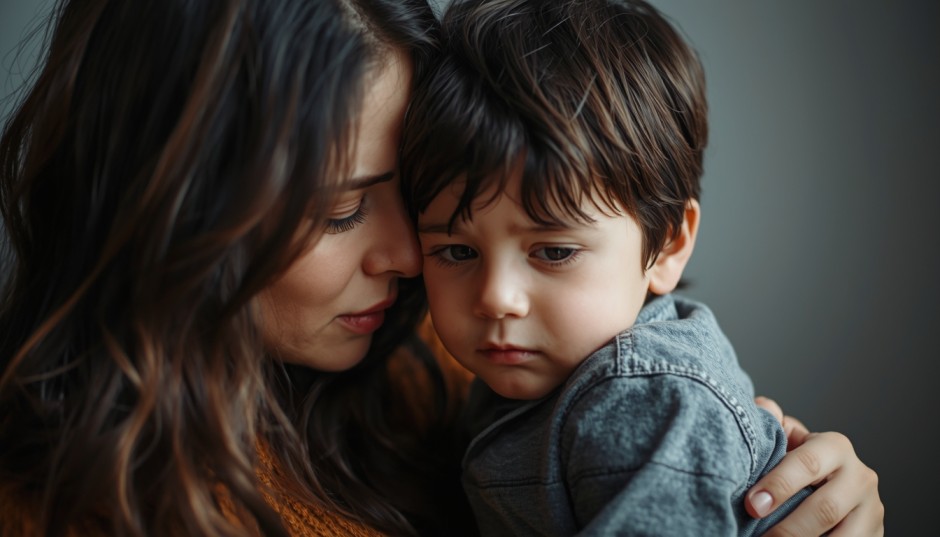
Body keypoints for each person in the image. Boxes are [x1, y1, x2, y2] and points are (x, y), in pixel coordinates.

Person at [0, 0, 881, 535]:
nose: (410, 255)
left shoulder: (432, 363)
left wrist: (814, 493)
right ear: (177, 207)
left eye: (410, 197)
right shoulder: (62, 509)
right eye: (341, 209)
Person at [401, 0, 882, 534]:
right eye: (458, 252)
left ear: (668, 245)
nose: (496, 297)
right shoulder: (513, 377)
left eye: (554, 252)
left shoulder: (645, 397)